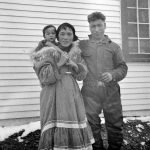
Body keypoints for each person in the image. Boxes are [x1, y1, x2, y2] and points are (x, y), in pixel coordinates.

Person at [31, 22, 94, 150]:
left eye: (69, 34)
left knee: (71, 120)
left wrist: (75, 65)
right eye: (62, 34)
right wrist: (59, 63)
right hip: (51, 94)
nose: (66, 37)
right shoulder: (47, 52)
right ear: (57, 36)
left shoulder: (75, 52)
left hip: (71, 94)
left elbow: (82, 75)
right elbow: (43, 76)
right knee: (54, 122)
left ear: (73, 36)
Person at [79, 12, 128, 150]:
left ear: (105, 25)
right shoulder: (83, 45)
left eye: (99, 25)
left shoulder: (114, 47)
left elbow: (123, 67)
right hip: (90, 91)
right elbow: (64, 45)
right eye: (93, 26)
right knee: (91, 124)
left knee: (114, 124)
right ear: (89, 27)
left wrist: (112, 74)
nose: (96, 29)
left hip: (110, 90)